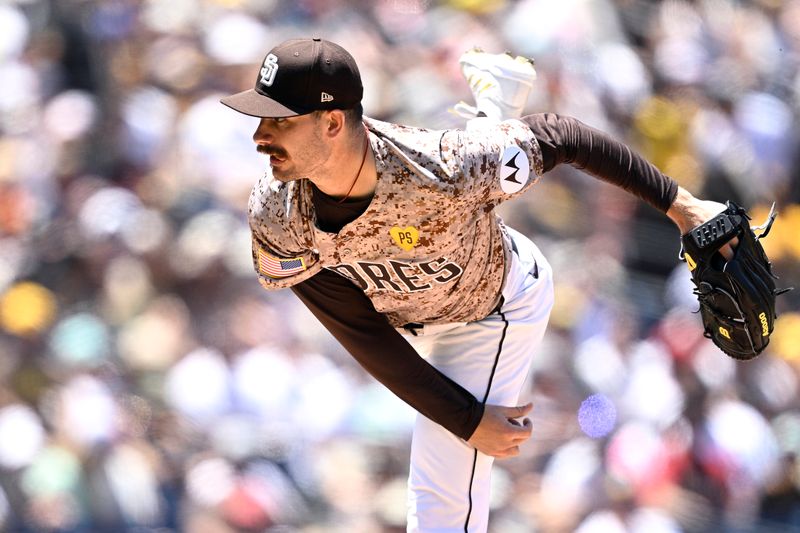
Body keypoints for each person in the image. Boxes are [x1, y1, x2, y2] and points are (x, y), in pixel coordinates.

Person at [221, 37, 732, 532]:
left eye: (279, 120)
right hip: (406, 316)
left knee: (442, 495)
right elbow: (359, 330)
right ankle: (496, 110)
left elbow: (563, 136)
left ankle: (497, 121)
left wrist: (682, 207)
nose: (260, 136)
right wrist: (465, 416)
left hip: (492, 306)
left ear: (332, 121)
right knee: (467, 195)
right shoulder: (276, 211)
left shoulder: (440, 167)